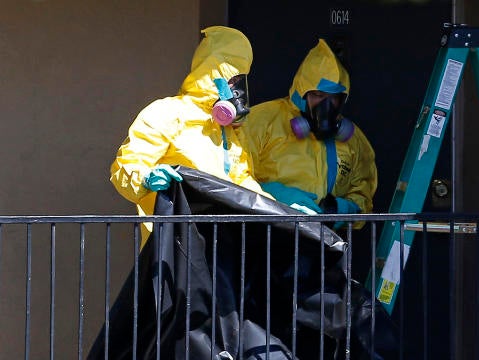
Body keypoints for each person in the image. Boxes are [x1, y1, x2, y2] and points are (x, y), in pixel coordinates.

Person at [110, 26, 270, 245]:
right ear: (213, 76)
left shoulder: (230, 132)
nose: (238, 91)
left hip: (222, 249)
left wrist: (280, 212)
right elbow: (126, 166)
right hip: (175, 248)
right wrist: (146, 178)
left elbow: (243, 184)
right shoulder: (167, 113)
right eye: (232, 80)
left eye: (241, 81)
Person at [238, 38, 377, 230]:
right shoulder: (263, 120)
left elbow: (363, 193)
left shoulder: (354, 141)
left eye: (334, 98)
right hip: (268, 234)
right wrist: (275, 198)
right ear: (302, 93)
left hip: (324, 241)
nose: (326, 106)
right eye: (318, 96)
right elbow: (232, 174)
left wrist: (342, 209)